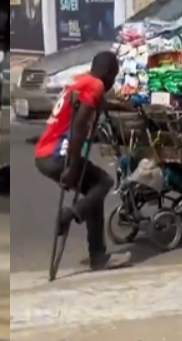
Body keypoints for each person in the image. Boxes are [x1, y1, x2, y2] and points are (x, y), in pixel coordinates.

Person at [34, 51, 131, 271]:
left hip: (44, 154)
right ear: (107, 73)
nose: (113, 82)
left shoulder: (81, 81)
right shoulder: (95, 85)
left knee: (93, 194)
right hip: (59, 154)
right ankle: (71, 215)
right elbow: (78, 127)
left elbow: (100, 106)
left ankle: (98, 256)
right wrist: (73, 165)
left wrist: (126, 108)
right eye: (114, 76)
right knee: (104, 183)